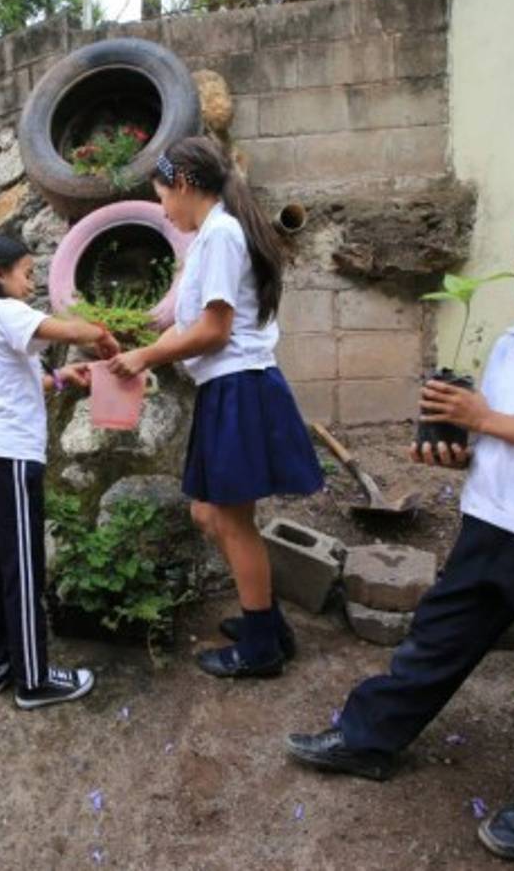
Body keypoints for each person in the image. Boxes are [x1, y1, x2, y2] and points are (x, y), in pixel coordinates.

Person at [285, 185, 514, 861]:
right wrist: (459, 447)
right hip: (490, 520)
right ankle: (369, 738)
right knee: (434, 639)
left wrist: (482, 418)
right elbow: (508, 435)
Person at [108, 137, 324, 679]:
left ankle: (260, 648)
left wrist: (147, 357)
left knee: (231, 521)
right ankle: (266, 622)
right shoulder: (211, 236)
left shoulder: (223, 233)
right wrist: (132, 335)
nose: (163, 211)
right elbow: (187, 319)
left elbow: (214, 329)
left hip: (239, 386)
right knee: (208, 514)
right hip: (225, 389)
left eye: (162, 197)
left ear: (182, 183)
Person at [0, 234, 120, 710]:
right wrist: (102, 335)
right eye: (27, 273)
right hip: (11, 459)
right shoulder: (1, 310)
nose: (30, 283)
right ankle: (34, 680)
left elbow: (11, 381)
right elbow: (66, 331)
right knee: (23, 569)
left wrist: (58, 378)